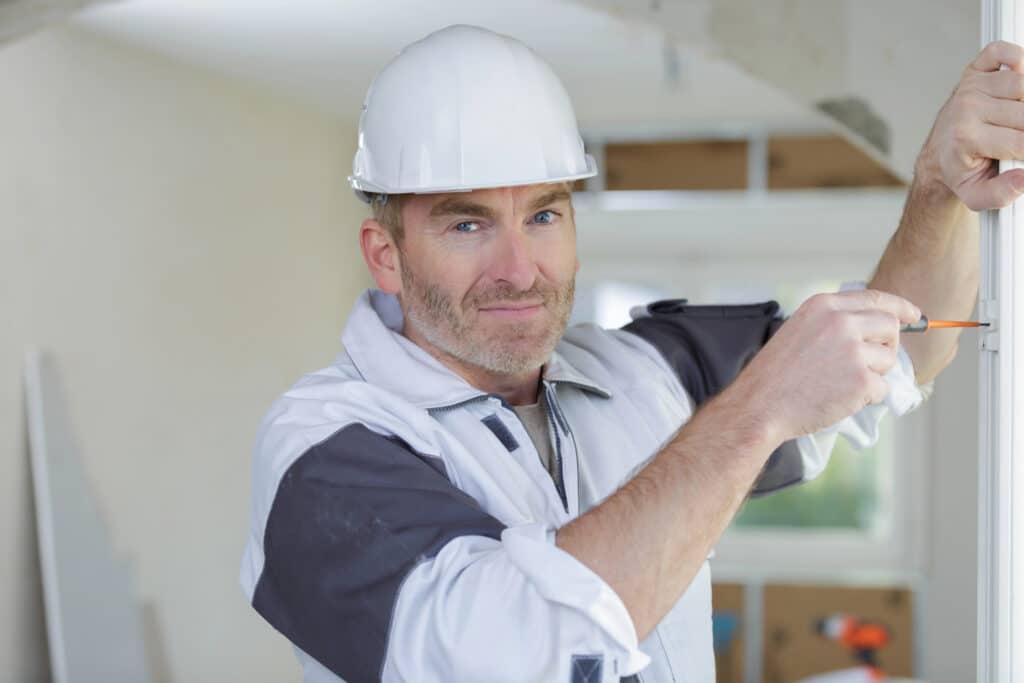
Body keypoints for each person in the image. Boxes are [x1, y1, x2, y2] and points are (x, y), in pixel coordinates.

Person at [240, 24, 1022, 683]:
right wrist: (758, 410)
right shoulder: (326, 449)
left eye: (544, 215)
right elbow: (512, 655)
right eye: (467, 224)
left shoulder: (647, 370)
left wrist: (939, 191)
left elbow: (901, 354)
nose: (520, 268)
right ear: (385, 254)